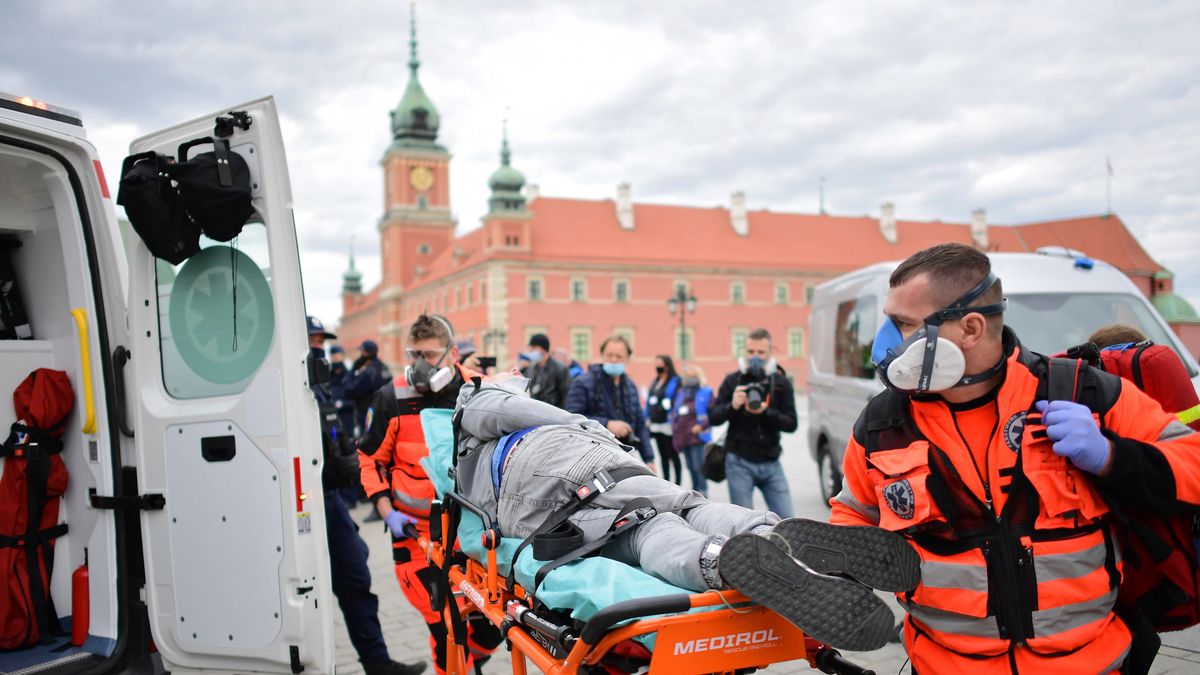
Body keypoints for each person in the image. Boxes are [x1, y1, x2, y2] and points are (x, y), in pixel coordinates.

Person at [829, 243, 1200, 674]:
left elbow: (1193, 464)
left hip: (1090, 664)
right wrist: (834, 576)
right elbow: (853, 515)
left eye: (904, 324)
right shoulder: (883, 423)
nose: (887, 342)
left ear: (969, 329)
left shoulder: (1084, 392)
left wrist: (1111, 456)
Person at [451, 370, 920, 652]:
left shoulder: (471, 432)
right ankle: (771, 532)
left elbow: (491, 516)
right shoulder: (481, 395)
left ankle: (718, 562)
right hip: (598, 457)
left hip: (544, 480)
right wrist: (591, 430)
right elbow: (533, 413)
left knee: (638, 534)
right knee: (688, 504)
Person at [358, 315, 502, 675]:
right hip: (415, 539)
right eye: (413, 354)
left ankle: (467, 661)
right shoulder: (392, 397)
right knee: (447, 626)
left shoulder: (479, 393)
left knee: (492, 625)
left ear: (452, 354)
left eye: (429, 354)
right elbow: (370, 458)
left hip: (471, 538)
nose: (420, 364)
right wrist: (385, 508)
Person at [307, 317, 426, 675]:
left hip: (330, 500)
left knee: (356, 576)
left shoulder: (319, 384)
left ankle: (377, 663)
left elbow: (336, 437)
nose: (318, 348)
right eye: (312, 341)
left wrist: (355, 464)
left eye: (320, 341)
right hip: (300, 500)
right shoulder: (286, 386)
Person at [709, 329, 797, 517]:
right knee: (745, 524)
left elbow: (792, 423)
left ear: (769, 353)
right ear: (744, 352)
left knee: (787, 521)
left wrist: (766, 411)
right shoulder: (733, 380)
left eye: (761, 352)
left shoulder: (780, 382)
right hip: (738, 462)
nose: (755, 357)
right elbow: (713, 418)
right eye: (750, 352)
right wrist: (732, 406)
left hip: (771, 461)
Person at [565, 335, 656, 474]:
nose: (614, 360)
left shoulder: (630, 385)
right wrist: (607, 424)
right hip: (593, 457)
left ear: (627, 359)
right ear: (602, 355)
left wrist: (649, 459)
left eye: (619, 356)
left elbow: (640, 423)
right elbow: (572, 418)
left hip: (625, 455)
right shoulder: (583, 382)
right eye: (610, 355)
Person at [671, 363, 712, 496]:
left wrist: (701, 426)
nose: (689, 379)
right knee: (690, 468)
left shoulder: (706, 392)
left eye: (693, 376)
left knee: (698, 467)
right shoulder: (681, 392)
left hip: (697, 437)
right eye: (687, 376)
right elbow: (675, 412)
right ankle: (696, 493)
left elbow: (713, 414)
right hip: (683, 437)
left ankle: (704, 494)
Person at [343, 339, 392, 438]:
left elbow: (349, 390)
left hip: (367, 413)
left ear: (366, 353)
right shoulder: (383, 367)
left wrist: (353, 370)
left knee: (366, 443)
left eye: (362, 352)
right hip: (384, 412)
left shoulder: (369, 372)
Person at [646, 355, 682, 484]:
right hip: (656, 423)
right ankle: (667, 482)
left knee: (673, 454)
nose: (658, 367)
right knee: (663, 455)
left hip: (668, 423)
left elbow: (678, 399)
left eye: (660, 364)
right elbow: (649, 400)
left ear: (667, 365)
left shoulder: (676, 380)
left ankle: (678, 483)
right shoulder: (655, 381)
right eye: (656, 364)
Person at [520, 333, 572, 408]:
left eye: (533, 347)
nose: (531, 351)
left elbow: (566, 396)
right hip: (536, 412)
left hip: (555, 413)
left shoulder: (560, 369)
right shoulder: (531, 369)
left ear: (542, 348)